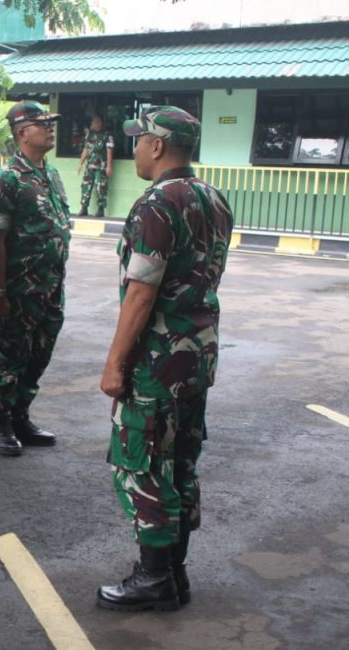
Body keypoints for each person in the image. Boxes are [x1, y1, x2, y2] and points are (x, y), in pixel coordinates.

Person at [96, 106, 232, 612]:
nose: (133, 148)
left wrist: (114, 363)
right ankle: (175, 573)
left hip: (156, 360)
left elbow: (141, 294)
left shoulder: (156, 203)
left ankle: (154, 579)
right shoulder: (213, 198)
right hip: (197, 358)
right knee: (181, 462)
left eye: (138, 140)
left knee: (142, 462)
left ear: (157, 146)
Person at [0, 101, 70, 458]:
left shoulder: (50, 175)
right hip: (19, 290)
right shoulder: (6, 181)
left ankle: (20, 416)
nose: (50, 128)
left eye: (51, 122)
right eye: (41, 123)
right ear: (21, 133)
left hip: (50, 289)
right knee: (10, 356)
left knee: (39, 355)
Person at [77, 114, 114, 217]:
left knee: (101, 187)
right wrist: (81, 163)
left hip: (101, 166)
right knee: (85, 186)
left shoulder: (107, 135)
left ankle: (101, 209)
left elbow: (109, 150)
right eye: (92, 122)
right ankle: (84, 208)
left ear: (100, 123)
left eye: (96, 122)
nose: (93, 124)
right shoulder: (89, 134)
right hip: (90, 166)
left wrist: (109, 166)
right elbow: (86, 149)